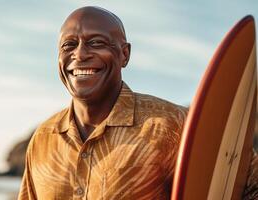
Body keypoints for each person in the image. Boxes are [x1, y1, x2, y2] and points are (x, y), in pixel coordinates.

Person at [18, 6, 257, 200]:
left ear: (124, 54)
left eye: (96, 42)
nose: (79, 55)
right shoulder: (43, 138)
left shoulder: (174, 125)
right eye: (69, 45)